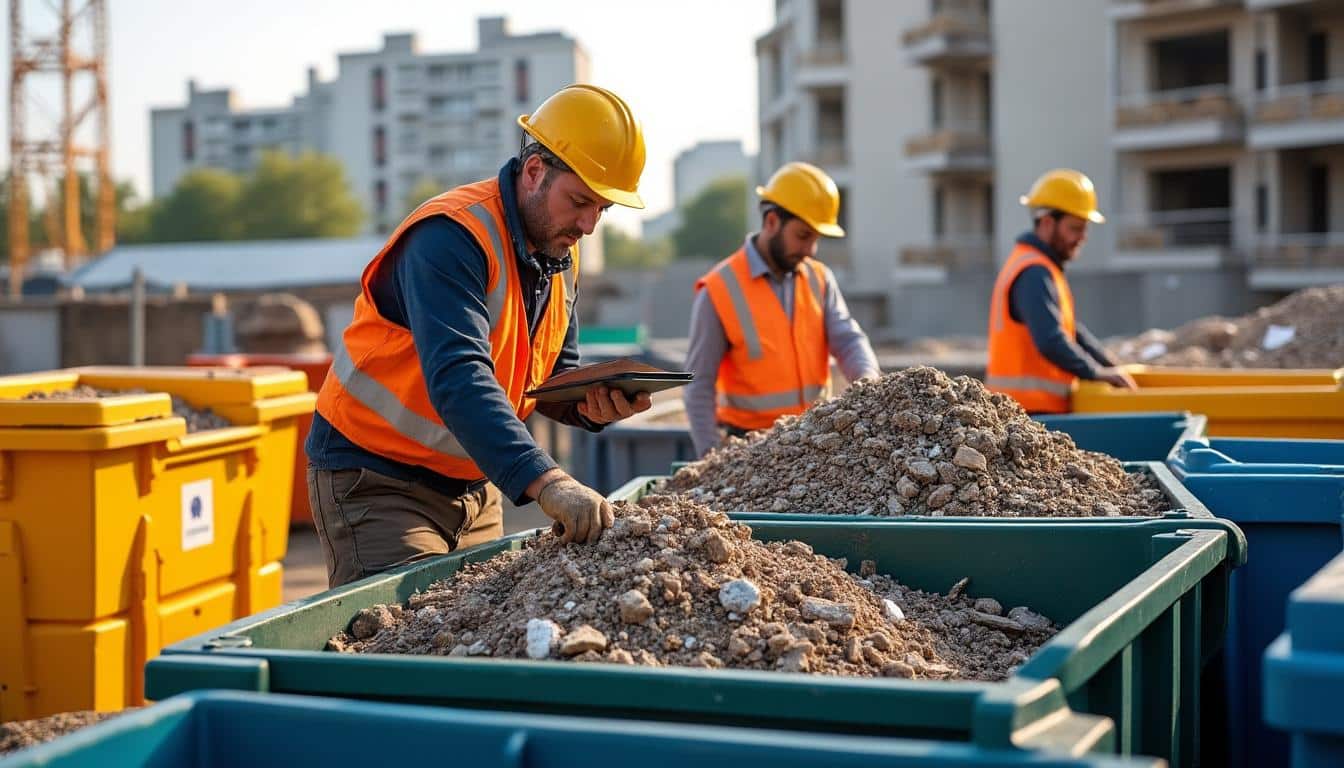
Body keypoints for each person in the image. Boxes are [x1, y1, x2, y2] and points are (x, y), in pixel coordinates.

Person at [307, 84, 652, 587]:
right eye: (580, 201)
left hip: (474, 483)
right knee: (407, 645)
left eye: (603, 208)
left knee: (474, 635)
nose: (589, 225)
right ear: (534, 170)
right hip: (376, 478)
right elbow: (459, 377)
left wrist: (589, 404)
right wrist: (549, 480)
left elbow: (550, 377)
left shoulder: (561, 253)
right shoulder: (451, 236)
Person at [683, 161, 881, 457]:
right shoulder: (719, 289)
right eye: (803, 236)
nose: (810, 250)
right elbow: (698, 387)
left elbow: (849, 340)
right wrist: (711, 460)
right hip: (752, 450)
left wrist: (868, 382)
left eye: (815, 239)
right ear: (772, 221)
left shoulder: (819, 278)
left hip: (817, 443)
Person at [985, 168, 1137, 414]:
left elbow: (1070, 331)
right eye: (1075, 228)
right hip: (1028, 413)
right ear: (1047, 223)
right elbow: (1050, 340)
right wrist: (1095, 372)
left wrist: (1108, 363)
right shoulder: (1033, 271)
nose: (1082, 237)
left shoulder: (1040, 266)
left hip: (1032, 411)